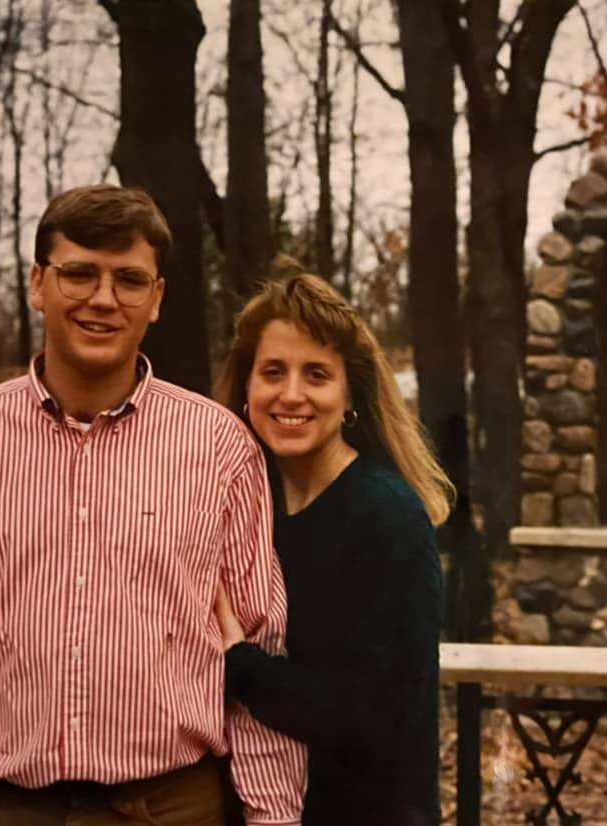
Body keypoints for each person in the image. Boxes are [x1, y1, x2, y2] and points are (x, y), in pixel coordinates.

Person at [0, 185, 305, 825]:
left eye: (129, 280)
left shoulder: (217, 446)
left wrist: (274, 818)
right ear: (39, 284)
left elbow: (259, 646)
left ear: (155, 300)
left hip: (170, 806)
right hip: (6, 807)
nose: (103, 299)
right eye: (79, 273)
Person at [213, 259, 449, 826]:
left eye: (316, 375)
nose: (291, 394)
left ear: (349, 397)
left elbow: (377, 717)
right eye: (273, 372)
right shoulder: (242, 506)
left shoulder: (387, 516)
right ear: (246, 388)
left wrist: (240, 666)